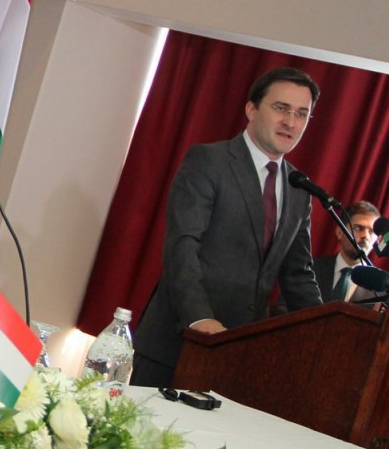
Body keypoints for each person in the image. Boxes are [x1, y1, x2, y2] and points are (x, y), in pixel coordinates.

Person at [130, 67, 323, 388]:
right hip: (177, 343)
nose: (291, 122)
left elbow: (298, 276)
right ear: (251, 109)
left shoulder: (299, 187)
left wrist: (325, 333)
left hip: (238, 355)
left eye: (302, 114)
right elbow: (183, 246)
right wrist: (199, 318)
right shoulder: (209, 160)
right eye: (281, 108)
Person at [314, 200, 380, 302]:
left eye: (372, 232)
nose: (366, 236)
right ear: (340, 232)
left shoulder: (379, 287)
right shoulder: (312, 268)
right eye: (358, 228)